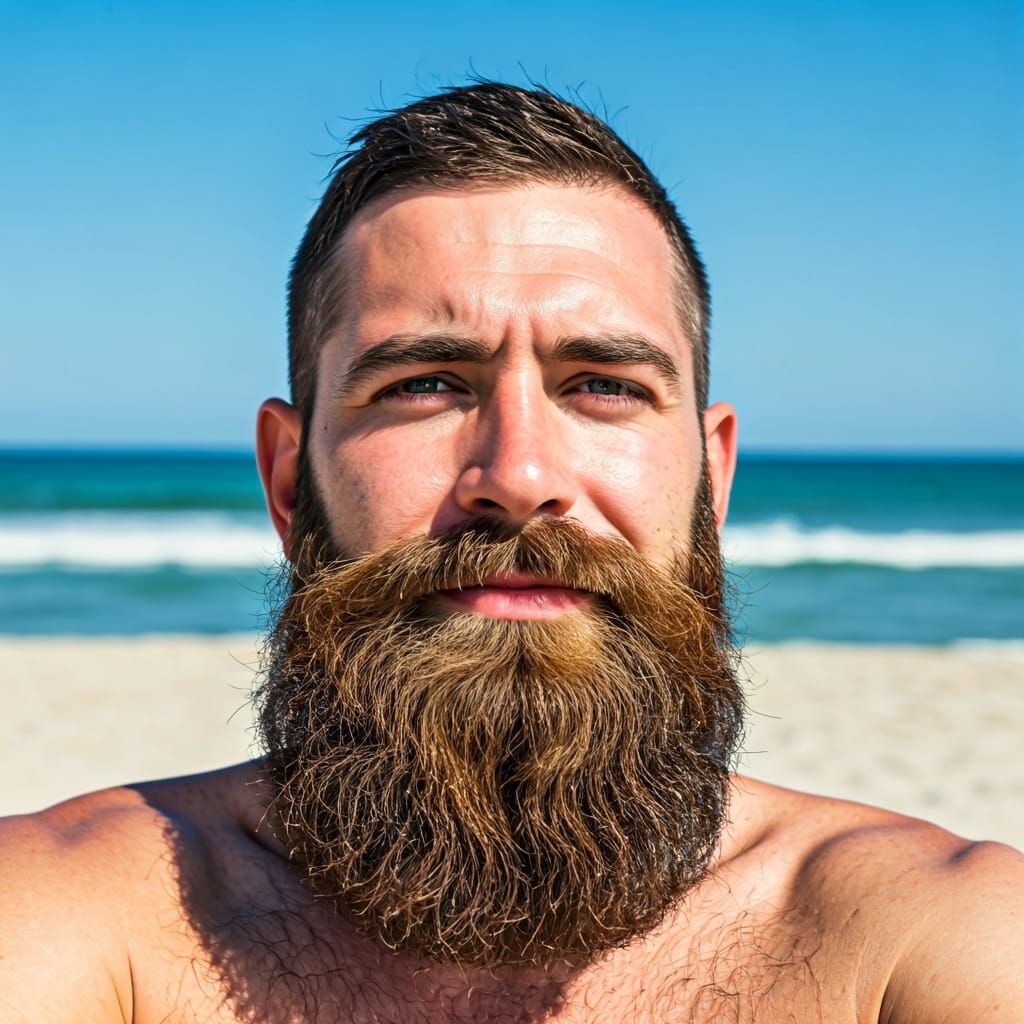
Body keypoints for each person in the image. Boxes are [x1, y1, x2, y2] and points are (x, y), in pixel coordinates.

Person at [1, 82, 1021, 1023]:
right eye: (425, 383)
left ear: (710, 479)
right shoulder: (73, 920)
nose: (520, 471)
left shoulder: (923, 942)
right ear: (285, 477)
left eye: (604, 385)